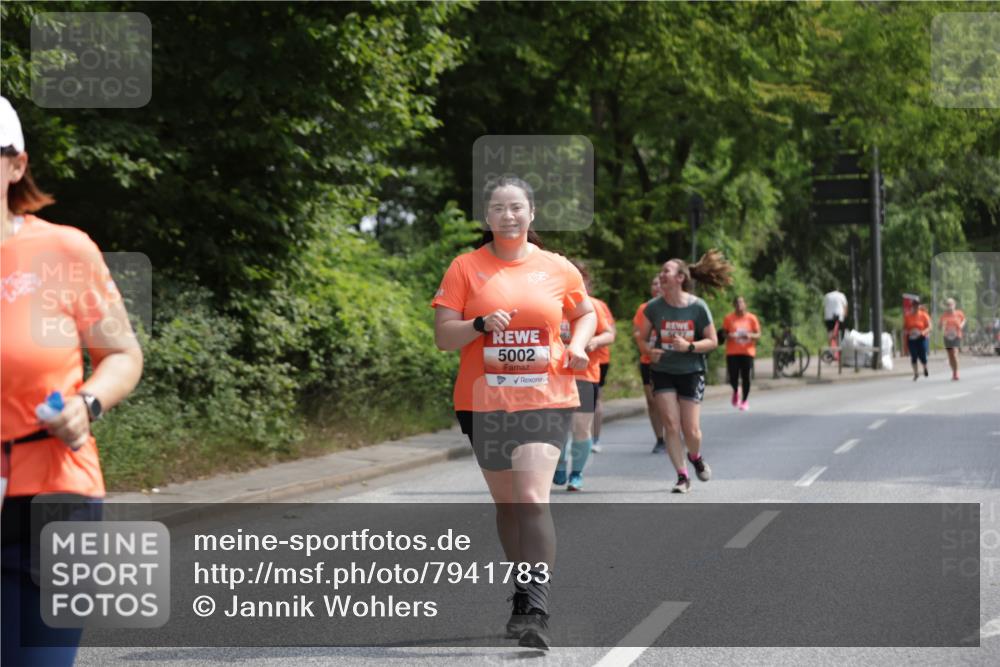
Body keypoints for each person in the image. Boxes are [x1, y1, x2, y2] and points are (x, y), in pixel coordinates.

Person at [1, 96, 144, 666]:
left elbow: (122, 354)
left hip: (55, 496)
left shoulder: (63, 249)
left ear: (16, 165)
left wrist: (88, 403)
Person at [432, 176, 595, 650]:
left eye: (517, 207)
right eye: (499, 208)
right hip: (483, 402)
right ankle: (523, 587)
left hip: (547, 397)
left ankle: (535, 606)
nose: (508, 215)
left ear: (531, 214)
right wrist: (479, 325)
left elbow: (583, 313)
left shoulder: (558, 268)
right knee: (507, 506)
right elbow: (444, 337)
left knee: (530, 497)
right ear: (487, 217)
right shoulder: (465, 268)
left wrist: (580, 346)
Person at [637, 251, 732, 493]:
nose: (661, 275)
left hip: (691, 371)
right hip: (663, 370)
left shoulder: (698, 307)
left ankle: (696, 456)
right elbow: (641, 338)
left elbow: (712, 341)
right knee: (670, 424)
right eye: (661, 271)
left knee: (691, 430)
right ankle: (682, 476)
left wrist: (689, 346)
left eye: (666, 271)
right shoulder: (653, 308)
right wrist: (649, 350)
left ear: (680, 277)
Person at [553, 260, 612, 488]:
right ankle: (559, 463)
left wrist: (594, 341)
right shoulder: (552, 304)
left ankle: (576, 473)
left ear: (584, 281)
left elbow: (609, 334)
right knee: (557, 426)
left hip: (585, 375)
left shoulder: (593, 306)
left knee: (580, 426)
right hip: (556, 375)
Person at [633, 275, 666, 453]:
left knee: (667, 401)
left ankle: (673, 434)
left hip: (668, 361)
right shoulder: (643, 309)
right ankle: (660, 439)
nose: (657, 286)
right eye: (654, 283)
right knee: (652, 401)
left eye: (660, 283)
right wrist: (646, 342)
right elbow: (637, 332)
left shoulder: (670, 307)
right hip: (648, 360)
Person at [587, 284, 615, 454]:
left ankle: (594, 438)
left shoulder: (598, 305)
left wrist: (594, 341)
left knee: (595, 400)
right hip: (567, 362)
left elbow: (611, 332)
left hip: (599, 359)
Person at [721, 296, 761, 411]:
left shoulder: (752, 318)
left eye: (741, 302)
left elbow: (758, 334)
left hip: (747, 352)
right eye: (737, 303)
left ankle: (744, 401)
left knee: (746, 377)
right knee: (733, 376)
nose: (739, 305)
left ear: (745, 304)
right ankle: (735, 390)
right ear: (734, 305)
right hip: (732, 352)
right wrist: (729, 336)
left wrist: (750, 335)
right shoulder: (728, 318)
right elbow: (724, 334)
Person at [902, 298, 932, 380]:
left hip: (921, 338)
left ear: (919, 306)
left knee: (923, 355)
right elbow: (904, 328)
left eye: (917, 305)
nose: (916, 306)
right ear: (912, 306)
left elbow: (929, 327)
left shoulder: (924, 315)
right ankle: (916, 373)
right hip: (912, 339)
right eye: (914, 305)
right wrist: (907, 332)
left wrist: (923, 332)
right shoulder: (908, 316)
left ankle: (925, 368)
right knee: (914, 355)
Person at [939, 298, 965, 381]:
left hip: (957, 336)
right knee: (950, 356)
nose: (949, 306)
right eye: (948, 305)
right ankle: (953, 372)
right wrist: (941, 325)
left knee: (954, 353)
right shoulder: (944, 315)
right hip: (947, 337)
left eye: (951, 304)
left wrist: (961, 325)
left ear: (954, 305)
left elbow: (964, 319)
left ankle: (956, 372)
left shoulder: (959, 313)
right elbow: (939, 327)